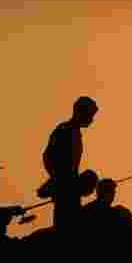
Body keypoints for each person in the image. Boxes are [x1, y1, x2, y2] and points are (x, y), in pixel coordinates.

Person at [38, 96, 98, 229]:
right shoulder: (65, 130)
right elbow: (48, 157)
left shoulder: (73, 132)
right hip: (65, 189)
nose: (92, 119)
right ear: (81, 113)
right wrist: (61, 180)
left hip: (69, 188)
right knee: (66, 226)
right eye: (90, 115)